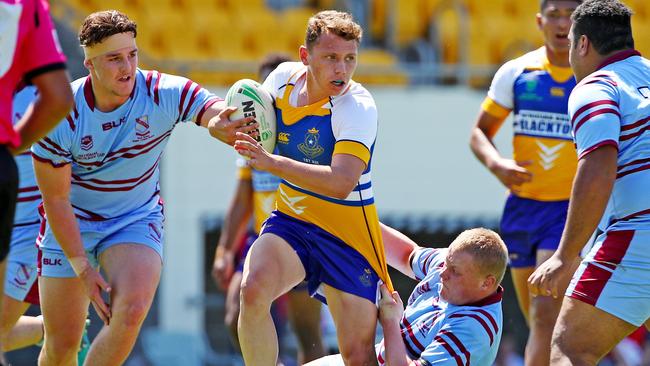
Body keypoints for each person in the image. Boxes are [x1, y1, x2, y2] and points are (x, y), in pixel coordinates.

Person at [30, 10, 258, 365]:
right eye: (114, 59)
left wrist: (218, 123)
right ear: (89, 63)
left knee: (133, 308)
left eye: (132, 55)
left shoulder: (160, 90)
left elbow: (209, 108)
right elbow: (56, 199)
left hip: (134, 217)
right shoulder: (62, 113)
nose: (127, 68)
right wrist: (83, 269)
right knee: (62, 347)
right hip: (72, 221)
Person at [234, 10, 393, 365]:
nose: (342, 69)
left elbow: (340, 182)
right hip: (292, 220)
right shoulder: (281, 81)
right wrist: (221, 125)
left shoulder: (358, 106)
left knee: (357, 355)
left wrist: (272, 162)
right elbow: (245, 127)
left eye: (350, 58)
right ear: (305, 57)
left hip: (348, 235)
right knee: (252, 289)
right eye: (331, 58)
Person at [528, 0, 650, 363]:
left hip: (638, 232)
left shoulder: (596, 85)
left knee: (570, 349)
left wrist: (565, 256)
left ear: (582, 45)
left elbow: (599, 162)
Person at [469, 1, 582, 364]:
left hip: (567, 211)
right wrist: (497, 163)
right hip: (520, 209)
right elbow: (479, 133)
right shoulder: (517, 72)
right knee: (539, 320)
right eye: (554, 15)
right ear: (539, 21)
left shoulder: (594, 77)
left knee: (546, 314)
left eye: (571, 15)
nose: (562, 23)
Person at [212, 53, 326, 363]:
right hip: (261, 239)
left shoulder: (303, 132)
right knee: (235, 316)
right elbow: (242, 197)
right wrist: (224, 250)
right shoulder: (253, 137)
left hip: (301, 239)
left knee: (307, 334)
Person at [307, 226, 508, 365]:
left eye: (455, 271)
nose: (442, 274)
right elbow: (408, 255)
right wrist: (355, 220)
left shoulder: (475, 328)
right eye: (446, 263)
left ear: (487, 283)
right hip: (377, 357)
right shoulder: (451, 262)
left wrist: (390, 321)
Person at [0, 0, 73, 361]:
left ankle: (63, 327)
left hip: (28, 232)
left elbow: (61, 99)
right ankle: (57, 327)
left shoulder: (37, 99)